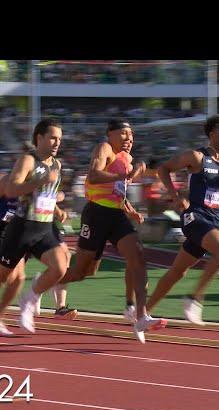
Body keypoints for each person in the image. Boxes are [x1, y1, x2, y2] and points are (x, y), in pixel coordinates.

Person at [53, 119, 164, 344]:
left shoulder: (128, 160)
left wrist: (130, 210)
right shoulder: (104, 148)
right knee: (83, 272)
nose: (128, 139)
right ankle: (44, 283)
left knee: (138, 258)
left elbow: (118, 192)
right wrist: (122, 176)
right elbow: (94, 176)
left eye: (131, 135)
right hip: (95, 214)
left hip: (116, 217)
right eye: (123, 134)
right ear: (110, 134)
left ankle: (140, 315)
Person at [0, 118, 68, 350]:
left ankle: (29, 298)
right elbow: (12, 190)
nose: (56, 143)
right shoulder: (28, 160)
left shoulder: (57, 165)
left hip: (43, 228)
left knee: (60, 268)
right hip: (21, 228)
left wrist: (58, 210)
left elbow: (47, 195)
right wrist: (39, 180)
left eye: (60, 139)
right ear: (39, 138)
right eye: (52, 137)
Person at [145, 115, 219, 326]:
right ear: (212, 134)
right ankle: (195, 298)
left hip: (212, 222)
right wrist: (175, 195)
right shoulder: (196, 157)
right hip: (194, 217)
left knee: (178, 271)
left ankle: (143, 313)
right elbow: (163, 169)